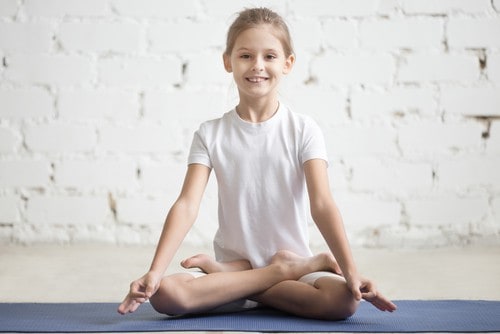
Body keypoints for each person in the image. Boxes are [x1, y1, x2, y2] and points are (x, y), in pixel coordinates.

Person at [118, 7, 397, 320]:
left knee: (344, 300)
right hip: (258, 273)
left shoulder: (303, 130)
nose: (257, 66)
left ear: (288, 63)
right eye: (246, 55)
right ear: (228, 61)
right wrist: (154, 272)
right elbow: (186, 205)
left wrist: (351, 272)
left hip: (245, 280)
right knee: (166, 295)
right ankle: (277, 272)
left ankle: (257, 276)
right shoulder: (211, 133)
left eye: (270, 56)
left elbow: (322, 204)